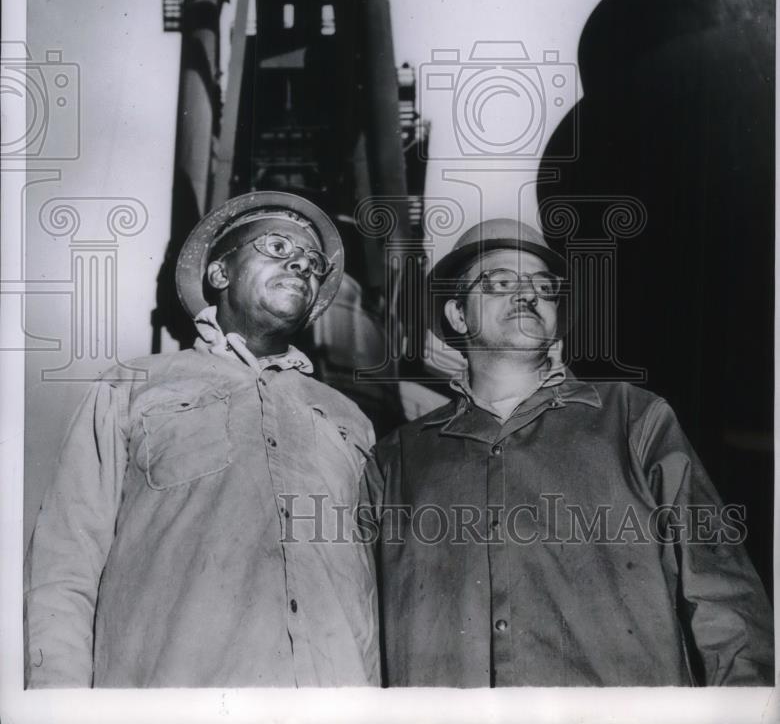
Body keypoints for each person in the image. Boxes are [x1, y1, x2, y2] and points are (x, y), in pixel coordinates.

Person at [364, 218, 774, 687]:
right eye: (500, 282)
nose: (528, 295)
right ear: (458, 315)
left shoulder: (634, 420)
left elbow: (722, 590)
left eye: (543, 286)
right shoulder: (396, 460)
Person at [25, 191, 379, 688]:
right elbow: (66, 566)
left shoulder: (352, 421)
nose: (301, 264)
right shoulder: (131, 387)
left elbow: (370, 594)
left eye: (312, 262)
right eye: (278, 248)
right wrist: (57, 704)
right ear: (220, 274)